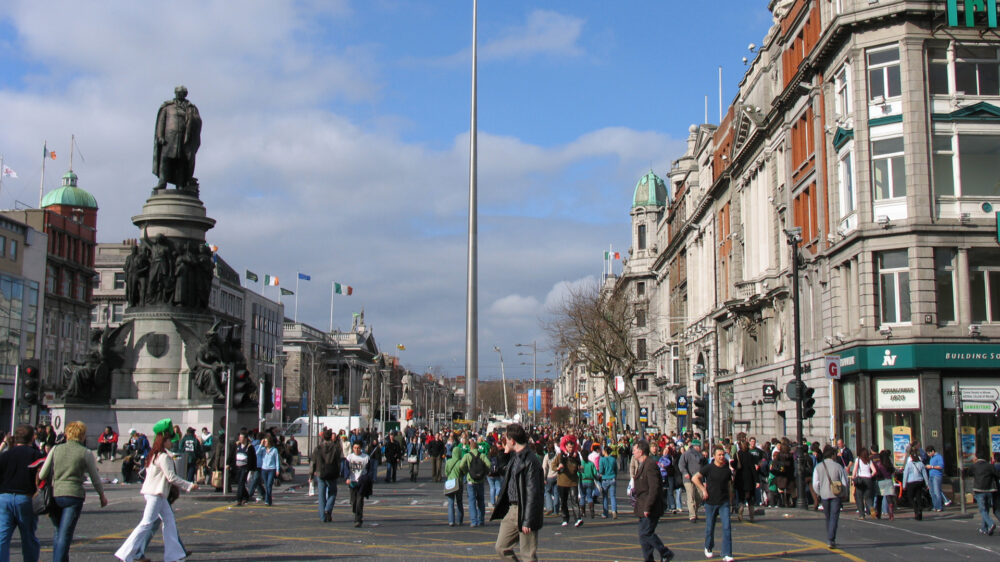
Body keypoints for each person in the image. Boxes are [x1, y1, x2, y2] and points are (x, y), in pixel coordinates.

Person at [115, 419, 197, 562]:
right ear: (164, 441)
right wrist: (189, 485)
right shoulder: (163, 457)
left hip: (156, 493)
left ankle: (174, 555)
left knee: (169, 522)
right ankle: (125, 553)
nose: (171, 443)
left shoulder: (154, 454)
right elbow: (171, 477)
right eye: (169, 440)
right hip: (156, 493)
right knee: (146, 523)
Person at [37, 421, 108, 562]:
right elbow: (95, 478)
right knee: (65, 534)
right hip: (74, 495)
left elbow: (42, 474)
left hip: (55, 494)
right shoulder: (85, 452)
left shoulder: (56, 449)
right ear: (82, 436)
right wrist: (101, 495)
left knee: (58, 531)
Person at [491, 424, 543, 562]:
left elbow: (533, 492)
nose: (505, 441)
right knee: (501, 547)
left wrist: (527, 519)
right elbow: (504, 470)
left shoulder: (530, 460)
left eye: (506, 438)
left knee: (528, 555)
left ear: (512, 440)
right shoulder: (515, 457)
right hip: (512, 509)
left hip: (525, 508)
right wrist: (504, 452)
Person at [0, 425, 43, 562]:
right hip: (25, 497)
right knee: (28, 537)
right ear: (32, 438)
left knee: (2, 536)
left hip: (4, 497)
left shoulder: (6, 455)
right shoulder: (35, 455)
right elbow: (42, 476)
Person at [633, 440, 675, 562]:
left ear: (641, 452)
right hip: (642, 505)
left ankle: (665, 552)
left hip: (650, 506)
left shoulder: (650, 465)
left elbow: (654, 487)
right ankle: (649, 559)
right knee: (643, 535)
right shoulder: (642, 464)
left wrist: (648, 507)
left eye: (635, 450)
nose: (633, 452)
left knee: (646, 533)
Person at [153, 85, 202, 190]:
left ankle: (180, 184)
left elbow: (197, 122)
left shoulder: (190, 108)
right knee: (165, 161)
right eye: (179, 93)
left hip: (184, 139)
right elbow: (161, 122)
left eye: (183, 93)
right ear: (175, 93)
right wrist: (160, 136)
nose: (180, 94)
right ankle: (162, 182)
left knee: (181, 162)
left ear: (185, 94)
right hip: (169, 139)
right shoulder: (167, 107)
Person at [692, 446, 734, 562]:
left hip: (724, 502)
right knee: (710, 527)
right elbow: (695, 478)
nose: (721, 457)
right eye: (719, 455)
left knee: (727, 527)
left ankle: (727, 553)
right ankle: (708, 547)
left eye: (723, 455)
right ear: (714, 456)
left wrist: (731, 499)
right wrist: (703, 490)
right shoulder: (709, 468)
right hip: (710, 502)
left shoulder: (727, 470)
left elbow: (730, 485)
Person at [813, 445, 848, 549]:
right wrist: (844, 494)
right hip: (836, 495)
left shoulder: (818, 467)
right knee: (834, 516)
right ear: (833, 455)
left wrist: (819, 492)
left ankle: (830, 537)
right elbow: (844, 482)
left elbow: (815, 483)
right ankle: (831, 538)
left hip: (824, 495)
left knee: (828, 516)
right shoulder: (838, 467)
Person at [311, 429, 343, 522]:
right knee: (332, 492)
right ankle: (327, 509)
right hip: (332, 472)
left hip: (320, 472)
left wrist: (311, 474)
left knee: (321, 495)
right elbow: (338, 461)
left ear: (323, 437)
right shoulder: (336, 447)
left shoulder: (318, 448)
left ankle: (323, 516)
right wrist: (338, 472)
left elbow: (313, 461)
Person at [552, 436, 583, 527]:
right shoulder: (560, 456)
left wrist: (580, 468)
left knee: (574, 500)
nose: (571, 449)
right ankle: (565, 518)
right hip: (562, 482)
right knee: (564, 501)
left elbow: (579, 467)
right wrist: (558, 468)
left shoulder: (576, 456)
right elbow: (553, 465)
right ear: (565, 447)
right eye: (569, 447)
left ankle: (578, 518)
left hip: (573, 481)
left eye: (572, 448)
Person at [459, 436, 489, 527]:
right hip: (480, 480)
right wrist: (484, 473)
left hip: (470, 480)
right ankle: (481, 520)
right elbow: (489, 464)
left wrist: (466, 471)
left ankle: (473, 521)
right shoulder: (482, 455)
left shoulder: (467, 455)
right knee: (481, 501)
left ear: (470, 447)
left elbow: (461, 465)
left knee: (472, 501)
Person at [344, 442, 373, 527]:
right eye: (355, 448)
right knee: (353, 501)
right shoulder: (349, 458)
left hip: (361, 482)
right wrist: (347, 478)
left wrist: (367, 479)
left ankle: (358, 519)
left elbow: (369, 470)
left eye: (358, 448)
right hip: (352, 482)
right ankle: (355, 511)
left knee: (360, 500)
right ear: (353, 448)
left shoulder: (366, 458)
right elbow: (346, 469)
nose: (356, 450)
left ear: (361, 448)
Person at [971, 449, 999, 535]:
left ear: (977, 457)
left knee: (982, 510)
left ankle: (990, 524)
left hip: (979, 490)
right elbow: (997, 475)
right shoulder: (990, 466)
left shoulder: (974, 466)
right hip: (990, 490)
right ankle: (984, 528)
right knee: (986, 509)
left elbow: (968, 472)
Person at [678, 439, 705, 522]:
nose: (700, 448)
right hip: (688, 479)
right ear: (695, 447)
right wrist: (685, 472)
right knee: (691, 496)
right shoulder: (686, 454)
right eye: (699, 446)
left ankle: (694, 510)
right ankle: (692, 515)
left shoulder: (701, 456)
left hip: (698, 479)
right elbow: (681, 465)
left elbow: (704, 466)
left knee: (700, 496)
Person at [902, 450, 929, 520]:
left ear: (911, 457)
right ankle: (920, 510)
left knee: (910, 497)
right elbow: (925, 474)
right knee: (918, 496)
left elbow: (905, 475)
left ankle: (916, 510)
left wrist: (904, 485)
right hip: (919, 481)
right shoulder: (921, 464)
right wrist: (927, 484)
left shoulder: (909, 464)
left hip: (911, 482)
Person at [232, 432, 257, 506]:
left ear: (245, 439)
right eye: (239, 437)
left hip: (245, 467)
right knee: (240, 482)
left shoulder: (249, 447)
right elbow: (232, 454)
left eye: (241, 437)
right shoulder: (237, 446)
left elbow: (253, 458)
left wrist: (252, 469)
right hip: (238, 467)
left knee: (241, 483)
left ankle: (239, 499)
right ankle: (246, 496)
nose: (240, 439)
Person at [851, 447, 875, 519]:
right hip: (868, 480)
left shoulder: (858, 460)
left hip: (860, 480)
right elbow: (875, 471)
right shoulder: (869, 460)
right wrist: (870, 475)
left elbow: (854, 471)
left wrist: (853, 478)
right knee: (868, 498)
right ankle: (872, 510)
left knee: (859, 497)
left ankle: (862, 514)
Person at [445, 447, 467, 526]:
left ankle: (451, 521)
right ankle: (460, 520)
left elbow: (446, 472)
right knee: (459, 502)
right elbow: (464, 472)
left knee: (450, 503)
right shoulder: (460, 462)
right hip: (458, 483)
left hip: (450, 483)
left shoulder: (448, 461)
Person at [259, 436, 280, 506]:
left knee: (269, 484)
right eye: (264, 441)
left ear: (269, 442)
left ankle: (267, 500)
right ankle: (269, 500)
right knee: (266, 485)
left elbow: (277, 460)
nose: (265, 443)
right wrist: (260, 445)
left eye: (266, 441)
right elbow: (257, 453)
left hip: (271, 469)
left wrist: (277, 470)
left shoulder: (274, 450)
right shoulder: (262, 449)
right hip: (264, 469)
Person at [599, 445, 618, 519]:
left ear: (605, 451)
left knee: (605, 497)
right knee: (613, 496)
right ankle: (614, 511)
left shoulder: (602, 459)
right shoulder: (613, 459)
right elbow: (616, 469)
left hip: (605, 479)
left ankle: (605, 512)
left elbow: (601, 471)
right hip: (612, 478)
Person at [926, 445, 946, 512]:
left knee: (937, 491)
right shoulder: (931, 458)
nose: (928, 455)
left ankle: (939, 506)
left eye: (929, 453)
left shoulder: (939, 457)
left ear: (933, 451)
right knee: (932, 492)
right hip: (931, 476)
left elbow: (941, 466)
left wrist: (931, 467)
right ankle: (935, 506)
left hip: (937, 476)